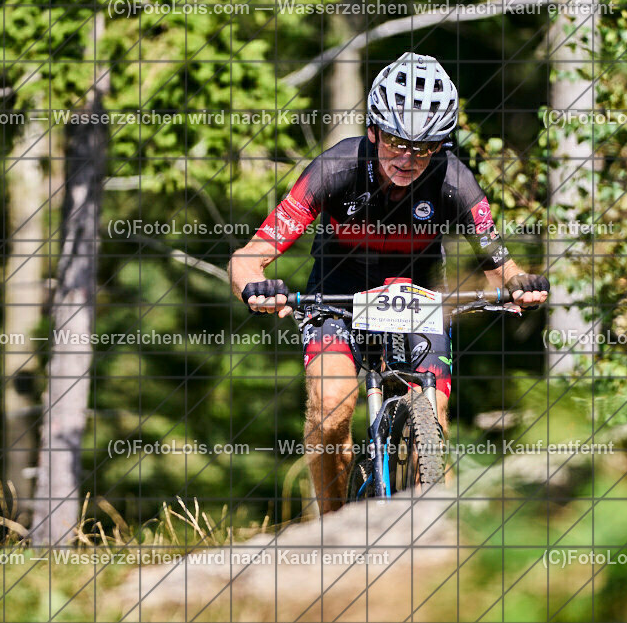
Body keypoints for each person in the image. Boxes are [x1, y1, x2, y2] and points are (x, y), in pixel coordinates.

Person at [228, 52, 549, 513]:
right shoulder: (334, 169)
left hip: (414, 303)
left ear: (441, 146)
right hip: (336, 300)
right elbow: (247, 257)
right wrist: (255, 285)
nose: (407, 157)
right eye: (397, 140)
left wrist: (521, 285)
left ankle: (437, 532)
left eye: (424, 146)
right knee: (331, 404)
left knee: (432, 416)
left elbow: (501, 264)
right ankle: (333, 528)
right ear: (374, 129)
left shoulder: (454, 180)